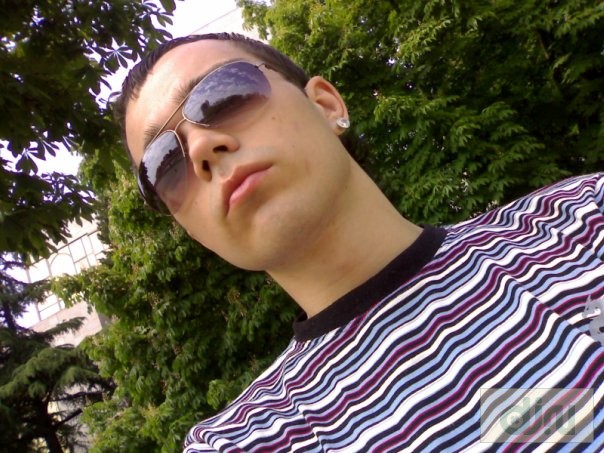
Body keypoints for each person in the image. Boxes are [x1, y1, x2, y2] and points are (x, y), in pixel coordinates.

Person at [114, 32, 603, 452]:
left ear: (326, 105)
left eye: (222, 95)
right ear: (189, 228)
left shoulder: (580, 218)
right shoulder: (243, 442)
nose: (201, 148)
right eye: (164, 165)